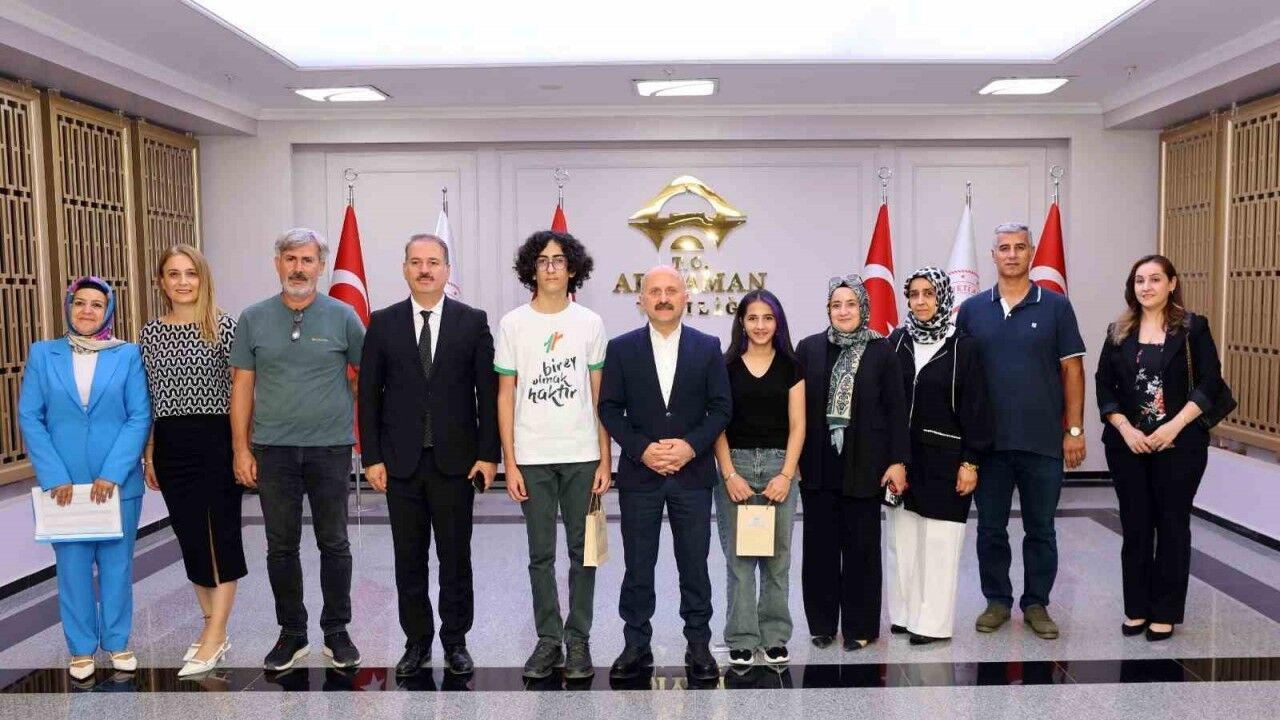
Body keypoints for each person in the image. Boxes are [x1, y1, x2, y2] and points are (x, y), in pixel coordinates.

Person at [359, 233, 499, 676]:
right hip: (400, 463)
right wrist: (371, 457)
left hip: (456, 463)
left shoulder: (472, 322)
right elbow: (368, 396)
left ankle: (456, 641)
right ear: (405, 269)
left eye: (433, 262)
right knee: (409, 559)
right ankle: (416, 642)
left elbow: (487, 394)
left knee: (456, 558)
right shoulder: (382, 323)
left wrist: (488, 453)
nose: (425, 269)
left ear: (447, 270)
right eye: (416, 262)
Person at [230, 228, 366, 671]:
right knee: (280, 546)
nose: (299, 268)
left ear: (321, 266)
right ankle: (292, 633)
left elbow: (366, 377)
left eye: (307, 260)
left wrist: (353, 420)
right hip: (273, 451)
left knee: (335, 543)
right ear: (278, 264)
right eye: (290, 259)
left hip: (330, 449)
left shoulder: (344, 316)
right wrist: (241, 449)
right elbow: (242, 387)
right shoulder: (253, 318)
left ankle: (336, 630)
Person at [598, 265, 731, 681]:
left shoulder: (708, 347)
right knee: (638, 565)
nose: (663, 298)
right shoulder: (621, 349)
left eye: (671, 290)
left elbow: (721, 408)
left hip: (693, 476)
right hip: (641, 475)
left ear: (685, 297)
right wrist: (641, 449)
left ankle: (699, 644)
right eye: (654, 291)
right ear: (641, 300)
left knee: (695, 565)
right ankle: (636, 644)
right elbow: (609, 408)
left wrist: (690, 447)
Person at [956, 222, 1087, 640]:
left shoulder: (1056, 307)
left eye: (1019, 247)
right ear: (992, 255)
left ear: (1031, 253)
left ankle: (1036, 604)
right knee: (990, 529)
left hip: (1042, 442)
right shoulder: (972, 310)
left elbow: (1073, 370)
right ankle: (997, 601)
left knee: (1041, 530)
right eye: (1004, 248)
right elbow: (960, 377)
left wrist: (1074, 430)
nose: (1011, 254)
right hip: (988, 446)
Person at [18, 277, 151, 680]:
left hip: (118, 484)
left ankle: (118, 642)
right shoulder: (44, 354)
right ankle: (80, 649)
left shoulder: (127, 354)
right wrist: (54, 474)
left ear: (108, 311)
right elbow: (30, 416)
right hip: (64, 486)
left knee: (117, 567)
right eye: (80, 303)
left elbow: (139, 416)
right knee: (73, 570)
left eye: (97, 304)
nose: (87, 310)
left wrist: (113, 472)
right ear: (69, 307)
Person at [495, 231, 611, 680]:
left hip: (582, 455)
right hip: (532, 457)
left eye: (558, 260)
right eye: (542, 260)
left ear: (572, 268)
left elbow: (600, 396)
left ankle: (578, 638)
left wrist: (605, 459)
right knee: (540, 554)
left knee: (584, 552)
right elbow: (506, 396)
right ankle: (548, 639)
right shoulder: (513, 324)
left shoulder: (590, 323)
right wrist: (510, 461)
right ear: (531, 268)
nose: (550, 267)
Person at [1096, 255, 1224, 641]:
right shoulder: (1118, 331)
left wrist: (1174, 426)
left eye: (1155, 279)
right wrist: (1124, 428)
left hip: (1180, 444)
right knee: (1135, 527)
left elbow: (1210, 382)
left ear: (1172, 284)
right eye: (1139, 280)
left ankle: (1165, 611)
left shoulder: (1192, 328)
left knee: (1171, 526)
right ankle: (1136, 608)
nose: (1146, 287)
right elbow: (1104, 386)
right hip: (1128, 447)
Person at [139, 245, 246, 676]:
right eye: (173, 274)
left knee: (221, 536)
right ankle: (209, 626)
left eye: (191, 273)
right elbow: (148, 398)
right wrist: (150, 453)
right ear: (161, 282)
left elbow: (243, 393)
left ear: (203, 278)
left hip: (216, 440)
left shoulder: (224, 327)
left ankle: (216, 633)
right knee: (191, 537)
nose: (183, 282)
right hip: (170, 443)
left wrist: (242, 446)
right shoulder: (150, 333)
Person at [795, 274, 909, 651]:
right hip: (817, 466)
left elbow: (896, 410)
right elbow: (794, 409)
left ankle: (861, 626)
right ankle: (822, 624)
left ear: (864, 307)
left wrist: (898, 461)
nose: (843, 311)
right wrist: (792, 459)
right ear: (827, 309)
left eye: (851, 304)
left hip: (865, 465)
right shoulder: (809, 349)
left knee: (862, 550)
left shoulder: (882, 350)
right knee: (819, 550)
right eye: (836, 305)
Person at [886, 267, 993, 645]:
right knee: (902, 541)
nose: (920, 301)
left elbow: (978, 408)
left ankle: (931, 623)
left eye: (928, 293)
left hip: (947, 460)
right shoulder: (897, 341)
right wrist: (892, 458)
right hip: (903, 458)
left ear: (943, 297)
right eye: (914, 294)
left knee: (940, 543)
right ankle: (903, 614)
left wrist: (971, 462)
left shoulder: (964, 346)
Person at [712, 289, 805, 666]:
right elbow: (716, 424)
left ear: (777, 323)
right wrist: (729, 473)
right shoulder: (725, 366)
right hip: (735, 466)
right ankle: (741, 637)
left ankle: (774, 636)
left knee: (777, 558)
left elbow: (798, 426)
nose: (760, 325)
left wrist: (786, 475)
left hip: (779, 467)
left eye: (768, 318)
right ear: (742, 322)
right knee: (739, 559)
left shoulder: (791, 367)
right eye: (753, 318)